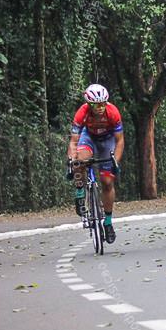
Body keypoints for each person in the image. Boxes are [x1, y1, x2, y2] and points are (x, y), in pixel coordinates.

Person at [66, 84, 124, 244]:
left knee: (107, 182)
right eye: (96, 104)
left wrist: (115, 162)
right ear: (88, 104)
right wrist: (71, 160)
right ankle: (79, 192)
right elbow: (73, 141)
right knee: (79, 161)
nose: (100, 107)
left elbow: (120, 141)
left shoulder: (113, 112)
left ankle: (108, 222)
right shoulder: (81, 114)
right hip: (88, 136)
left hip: (108, 140)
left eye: (103, 103)